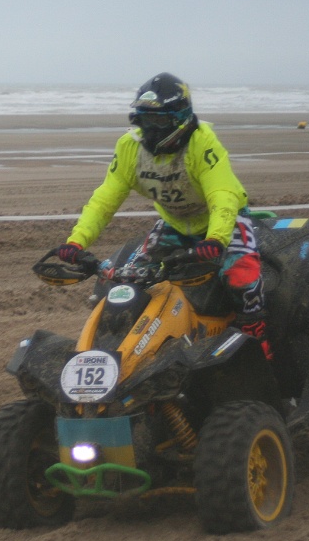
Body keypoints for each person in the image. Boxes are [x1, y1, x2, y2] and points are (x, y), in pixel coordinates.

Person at [52, 72, 272, 359]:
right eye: (144, 120)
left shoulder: (203, 143)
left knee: (241, 280)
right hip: (174, 224)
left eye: (158, 120)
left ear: (179, 117)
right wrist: (76, 242)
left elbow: (223, 195)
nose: (151, 129)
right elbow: (105, 199)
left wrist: (216, 238)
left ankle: (259, 345)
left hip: (224, 222)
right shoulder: (130, 147)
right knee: (128, 279)